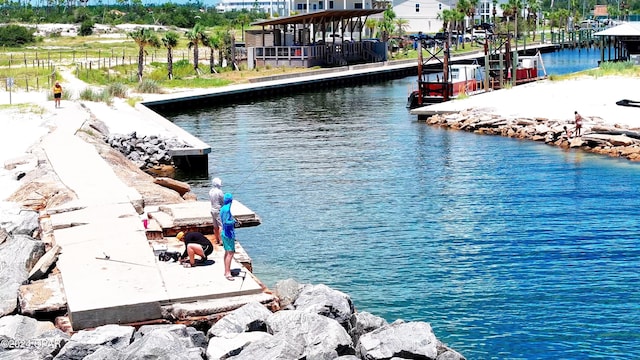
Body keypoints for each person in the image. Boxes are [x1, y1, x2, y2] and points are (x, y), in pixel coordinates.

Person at [220, 193, 236, 281]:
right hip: (228, 233)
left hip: (224, 233)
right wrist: (233, 222)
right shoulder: (227, 209)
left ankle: (226, 270)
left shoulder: (223, 208)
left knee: (227, 252)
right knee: (230, 253)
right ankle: (227, 273)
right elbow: (226, 222)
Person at [208, 177, 224, 245]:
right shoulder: (219, 191)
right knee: (221, 226)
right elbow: (222, 201)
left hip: (212, 209)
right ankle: (221, 241)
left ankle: (217, 239)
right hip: (218, 210)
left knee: (215, 226)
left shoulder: (211, 191)